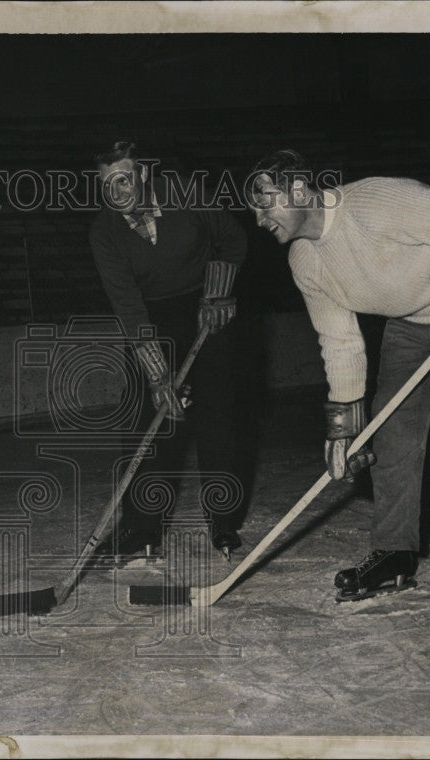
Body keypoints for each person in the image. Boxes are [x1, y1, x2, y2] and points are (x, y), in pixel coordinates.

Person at [250, 149, 430, 617]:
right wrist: (345, 427)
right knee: (391, 433)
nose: (258, 219)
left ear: (298, 190)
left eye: (265, 203)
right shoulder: (305, 260)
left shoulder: (374, 203)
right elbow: (339, 343)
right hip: (412, 321)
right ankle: (395, 554)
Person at [89, 141, 248, 559]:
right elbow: (127, 305)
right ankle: (141, 529)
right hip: (150, 319)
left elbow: (232, 240)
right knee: (146, 421)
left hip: (205, 306)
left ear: (143, 175)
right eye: (108, 183)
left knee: (217, 417)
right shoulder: (104, 231)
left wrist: (220, 293)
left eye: (124, 178)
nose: (117, 190)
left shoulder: (185, 191)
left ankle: (224, 523)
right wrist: (159, 377)